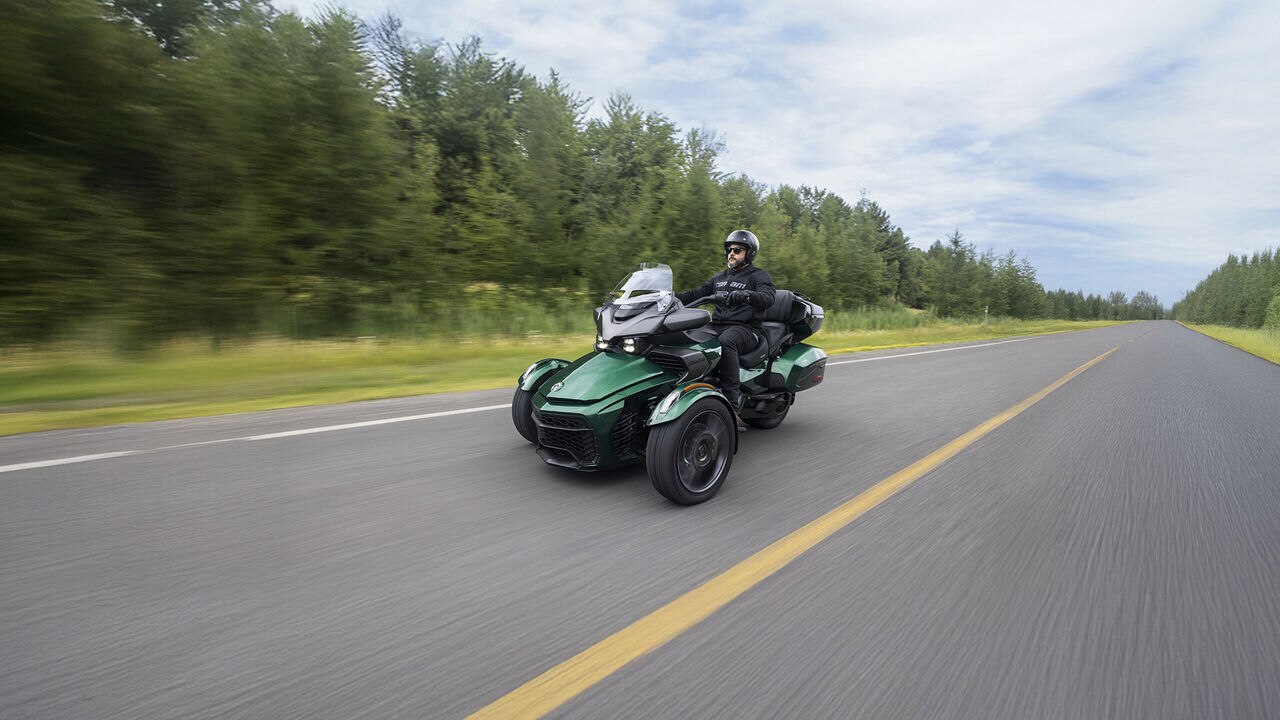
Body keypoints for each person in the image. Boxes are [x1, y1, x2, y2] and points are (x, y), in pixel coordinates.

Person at [676, 230, 776, 421]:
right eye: (729, 250)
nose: (731, 253)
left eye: (737, 250)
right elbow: (695, 294)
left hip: (748, 330)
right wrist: (669, 295)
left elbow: (769, 297)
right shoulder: (719, 278)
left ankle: (732, 406)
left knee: (725, 341)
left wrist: (748, 295)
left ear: (750, 253)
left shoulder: (758, 275)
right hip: (717, 325)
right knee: (686, 336)